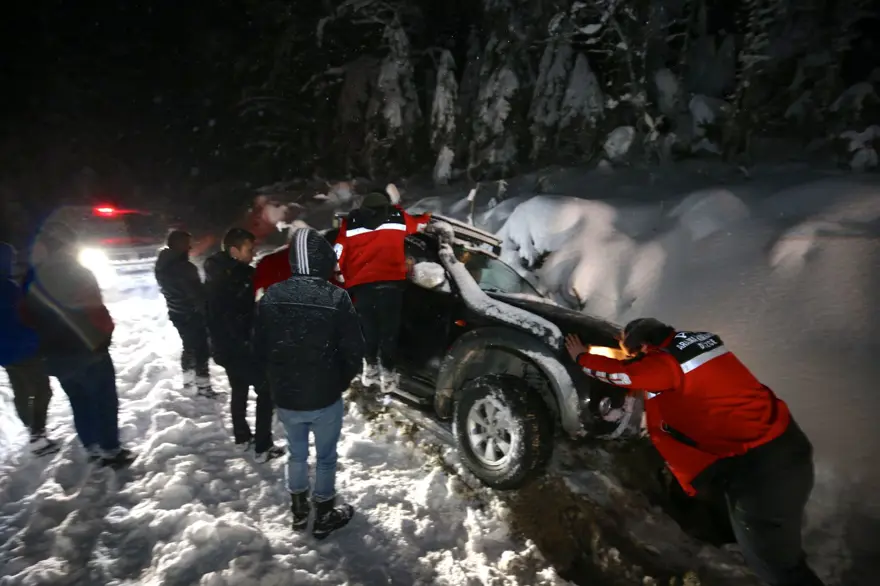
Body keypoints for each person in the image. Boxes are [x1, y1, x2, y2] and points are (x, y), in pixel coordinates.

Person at [565, 318, 824, 586]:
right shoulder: (697, 342)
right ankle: (739, 541)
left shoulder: (665, 364)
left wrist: (582, 357)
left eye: (632, 352)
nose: (632, 357)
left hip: (762, 469)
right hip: (781, 443)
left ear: (643, 346)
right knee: (764, 535)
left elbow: (625, 374)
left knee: (775, 566)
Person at [254, 227, 364, 539]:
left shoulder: (272, 296)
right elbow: (354, 349)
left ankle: (299, 510)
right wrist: (339, 381)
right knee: (326, 457)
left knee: (297, 453)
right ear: (322, 261)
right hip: (324, 395)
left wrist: (274, 383)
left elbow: (258, 348)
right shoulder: (336, 297)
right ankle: (324, 513)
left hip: (287, 397)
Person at [23, 221, 134, 468]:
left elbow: (27, 317)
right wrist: (105, 335)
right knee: (103, 400)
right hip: (87, 350)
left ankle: (92, 447)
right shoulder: (78, 272)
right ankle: (110, 450)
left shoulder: (34, 278)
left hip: (56, 355)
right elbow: (96, 310)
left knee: (79, 401)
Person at [333, 190, 430, 391]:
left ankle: (370, 366)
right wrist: (426, 217)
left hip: (363, 286)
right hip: (391, 283)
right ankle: (387, 371)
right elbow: (418, 224)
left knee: (368, 328)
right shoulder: (397, 217)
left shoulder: (350, 223)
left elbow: (338, 252)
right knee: (389, 330)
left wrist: (340, 273)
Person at [204, 228, 284, 461]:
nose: (254, 252)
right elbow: (239, 316)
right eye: (249, 248)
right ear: (234, 251)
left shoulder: (216, 271)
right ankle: (262, 447)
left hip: (224, 347)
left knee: (239, 389)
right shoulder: (236, 278)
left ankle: (241, 437)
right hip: (240, 347)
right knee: (266, 390)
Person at [0, 242, 58, 456]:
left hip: (5, 353)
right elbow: (25, 314)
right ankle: (37, 434)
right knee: (43, 390)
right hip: (24, 349)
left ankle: (31, 429)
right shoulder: (8, 288)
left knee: (21, 390)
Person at [155, 230, 215, 398]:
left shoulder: (163, 263)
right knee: (201, 348)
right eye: (186, 243)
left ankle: (188, 382)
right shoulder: (182, 267)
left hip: (177, 312)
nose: (189, 247)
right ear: (177, 244)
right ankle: (203, 387)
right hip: (191, 313)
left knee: (189, 346)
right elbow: (195, 294)